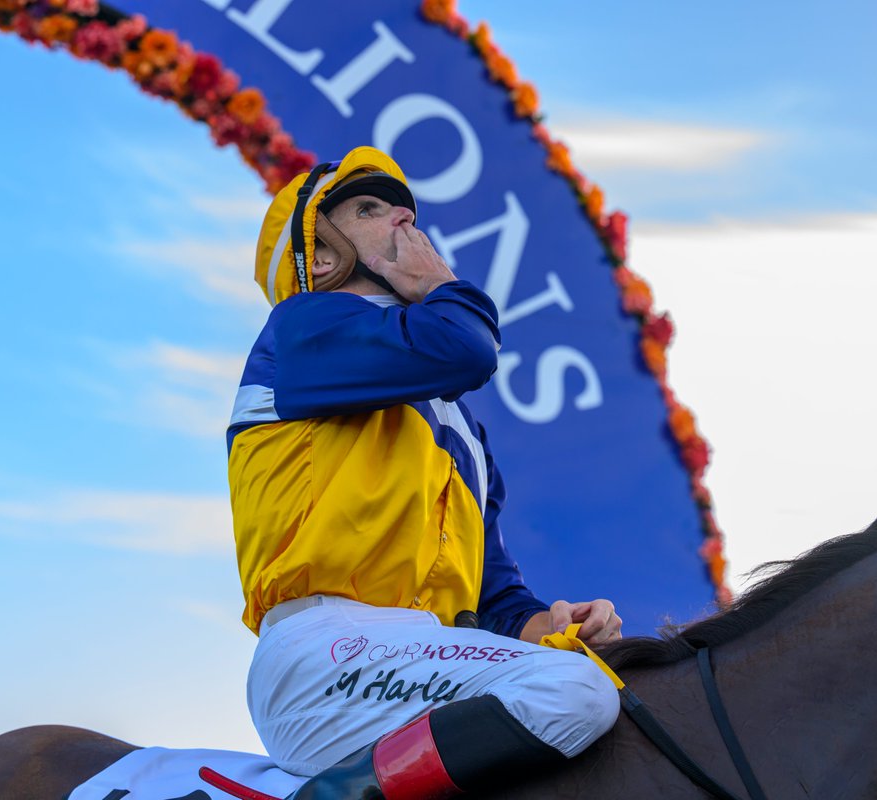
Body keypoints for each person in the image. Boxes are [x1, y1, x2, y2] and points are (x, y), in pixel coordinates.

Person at [226, 146, 623, 799]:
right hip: (324, 651)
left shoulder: (459, 427)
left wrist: (551, 627)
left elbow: (494, 599)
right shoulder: (303, 328)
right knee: (576, 690)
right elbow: (463, 346)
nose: (404, 216)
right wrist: (439, 285)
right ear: (320, 258)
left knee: (616, 690)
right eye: (369, 208)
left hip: (427, 655)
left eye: (399, 205)